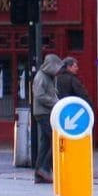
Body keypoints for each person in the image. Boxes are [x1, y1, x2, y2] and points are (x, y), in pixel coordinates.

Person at [32, 52, 61, 183]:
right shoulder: (41, 77)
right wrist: (55, 102)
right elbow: (39, 95)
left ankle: (39, 173)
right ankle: (44, 168)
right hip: (43, 113)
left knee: (45, 142)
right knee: (54, 139)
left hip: (48, 112)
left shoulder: (49, 77)